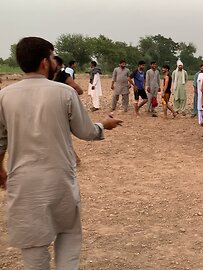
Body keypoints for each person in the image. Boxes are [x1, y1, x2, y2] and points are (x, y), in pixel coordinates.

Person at [0, 36, 122, 270]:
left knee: (34, 249)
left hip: (22, 182)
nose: (56, 62)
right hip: (59, 180)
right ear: (45, 62)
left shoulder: (5, 96)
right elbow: (86, 131)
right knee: (68, 234)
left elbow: (0, 141)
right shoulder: (64, 93)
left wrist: (0, 169)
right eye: (53, 57)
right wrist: (103, 126)